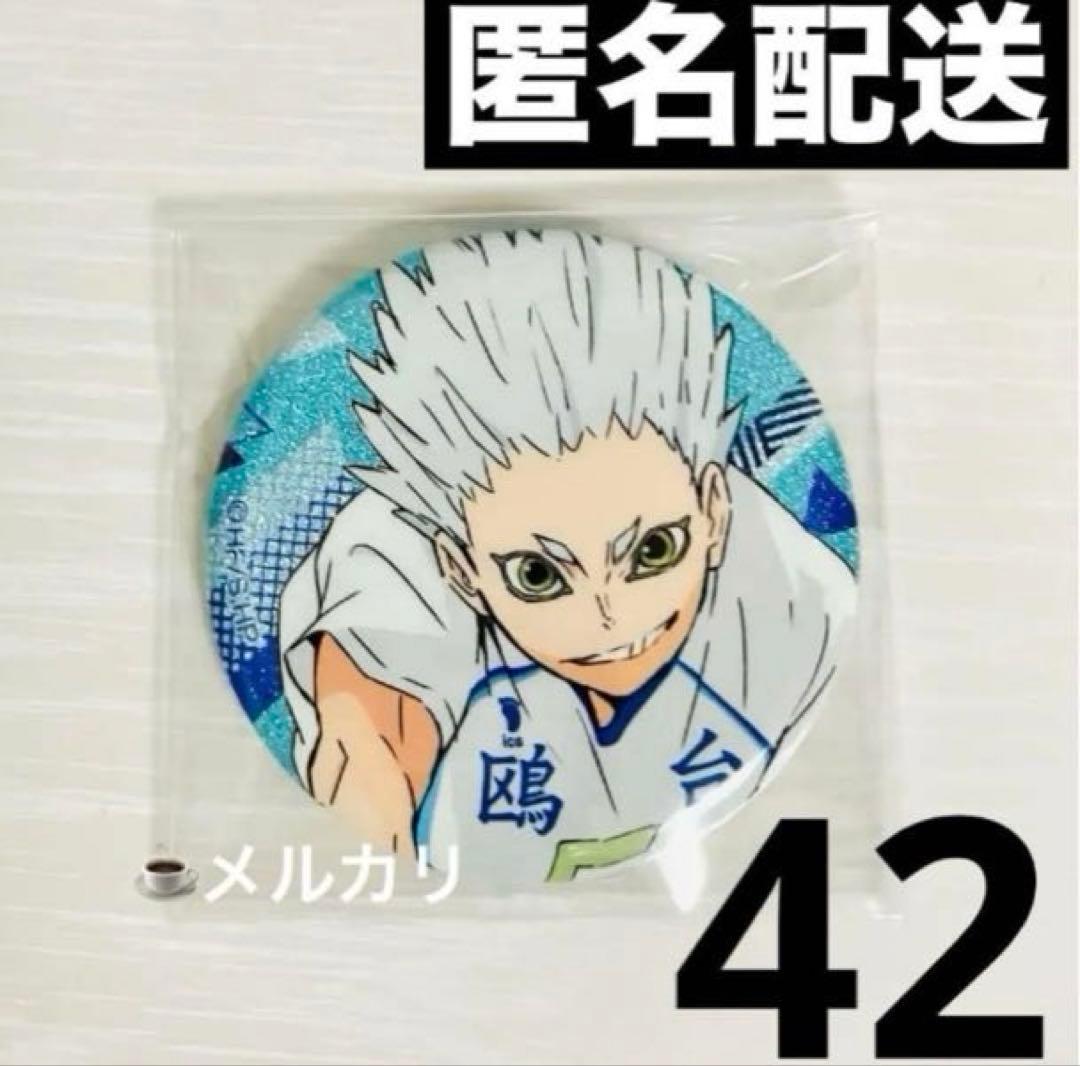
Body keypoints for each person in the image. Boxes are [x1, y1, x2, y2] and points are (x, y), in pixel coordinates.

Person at [279, 230, 856, 884]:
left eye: (653, 550)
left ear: (714, 509)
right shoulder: (392, 563)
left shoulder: (795, 594)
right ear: (461, 569)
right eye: (539, 575)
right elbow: (369, 758)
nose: (609, 619)